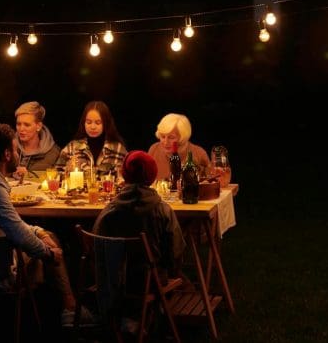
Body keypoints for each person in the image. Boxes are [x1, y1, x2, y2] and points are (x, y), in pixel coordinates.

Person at [0, 123, 95, 328]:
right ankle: (65, 311)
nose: (18, 153)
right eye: (16, 150)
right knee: (50, 248)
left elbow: (13, 223)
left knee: (46, 236)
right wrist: (49, 254)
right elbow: (17, 234)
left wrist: (39, 231)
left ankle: (60, 308)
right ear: (7, 154)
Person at [93, 151, 185, 336]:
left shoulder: (110, 210)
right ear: (152, 177)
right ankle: (145, 317)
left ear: (124, 175)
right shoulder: (162, 209)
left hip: (113, 279)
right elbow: (176, 251)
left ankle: (128, 319)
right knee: (167, 271)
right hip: (148, 280)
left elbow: (97, 244)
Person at [56, 100, 129, 176]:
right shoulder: (72, 148)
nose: (92, 127)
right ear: (83, 123)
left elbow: (129, 179)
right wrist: (66, 173)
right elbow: (56, 174)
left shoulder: (118, 149)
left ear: (106, 123)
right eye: (88, 122)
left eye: (98, 123)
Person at [147, 113, 211, 185]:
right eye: (162, 136)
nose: (165, 142)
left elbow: (210, 182)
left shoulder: (199, 153)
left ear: (182, 138)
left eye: (171, 137)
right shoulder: (154, 150)